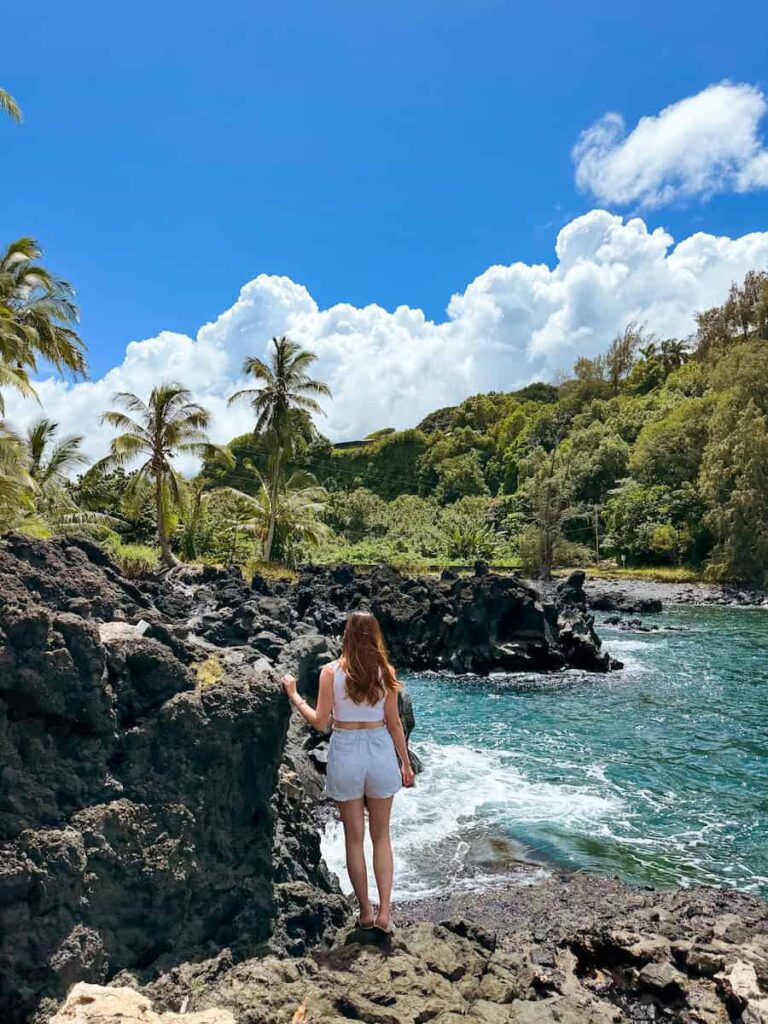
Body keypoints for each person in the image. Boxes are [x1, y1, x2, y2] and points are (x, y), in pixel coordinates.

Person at [282, 610, 415, 932]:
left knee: (353, 839)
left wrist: (294, 695)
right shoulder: (386, 672)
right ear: (375, 635)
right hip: (380, 750)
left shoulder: (330, 672)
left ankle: (365, 914)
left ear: (346, 635)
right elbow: (395, 724)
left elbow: (319, 722)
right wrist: (406, 764)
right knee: (381, 837)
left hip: (346, 750)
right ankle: (385, 914)